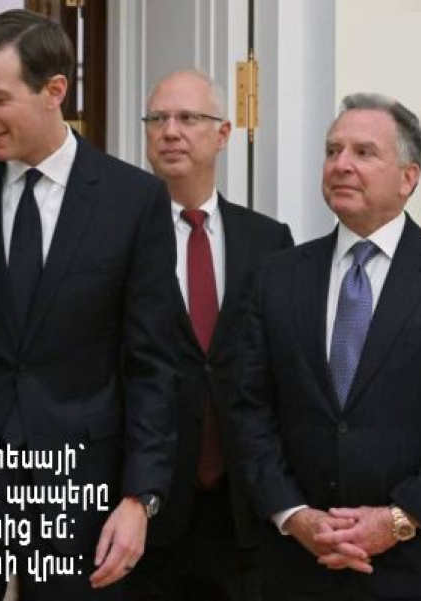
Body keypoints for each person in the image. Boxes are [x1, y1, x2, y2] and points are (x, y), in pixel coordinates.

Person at [0, 8, 178, 600]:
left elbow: (152, 364)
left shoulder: (134, 201)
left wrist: (140, 497)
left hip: (82, 489)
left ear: (54, 91)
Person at [230, 92, 421, 600]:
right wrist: (293, 514)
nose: (341, 164)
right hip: (297, 568)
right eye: (332, 150)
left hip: (416, 566)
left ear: (408, 177)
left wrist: (401, 518)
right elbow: (247, 407)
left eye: (363, 152)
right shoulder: (277, 276)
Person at [126, 71, 293, 601]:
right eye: (158, 119)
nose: (170, 131)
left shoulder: (269, 241)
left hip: (243, 510)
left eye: (188, 118)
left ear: (222, 134)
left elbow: (280, 371)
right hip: (144, 510)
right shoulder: (117, 235)